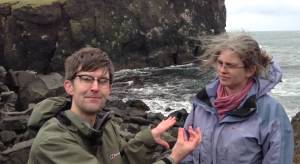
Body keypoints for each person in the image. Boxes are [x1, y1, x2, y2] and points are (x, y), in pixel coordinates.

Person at [27, 47, 201, 164]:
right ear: (69, 86)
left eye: (102, 81)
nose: (95, 87)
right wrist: (173, 158)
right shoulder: (51, 141)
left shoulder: (105, 125)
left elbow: (121, 159)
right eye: (86, 79)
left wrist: (148, 138)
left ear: (109, 88)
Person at [181, 33, 294, 164]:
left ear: (250, 70)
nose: (222, 70)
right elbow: (185, 151)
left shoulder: (271, 112)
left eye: (230, 65)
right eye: (220, 63)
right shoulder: (202, 103)